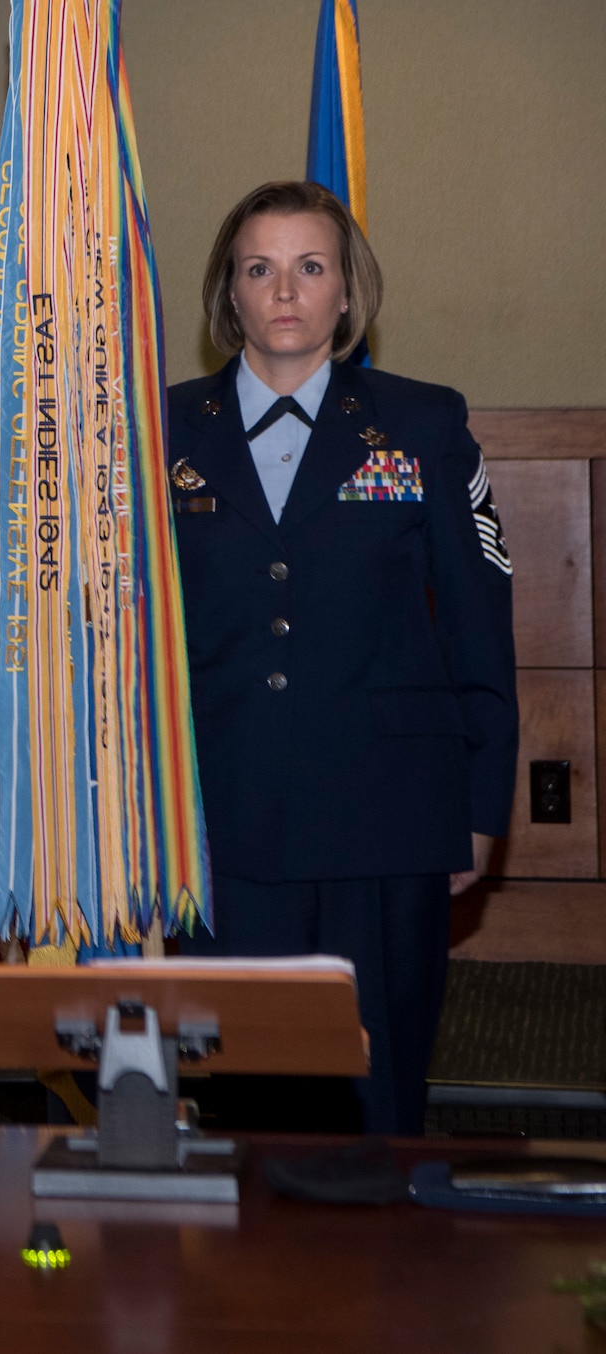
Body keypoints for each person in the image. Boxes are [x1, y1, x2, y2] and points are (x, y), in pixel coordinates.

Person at [168, 180, 517, 1136]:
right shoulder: (158, 434)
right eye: (260, 268)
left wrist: (482, 807)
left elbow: (479, 622)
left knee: (376, 1100)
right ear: (227, 294)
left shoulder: (422, 424)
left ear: (346, 294)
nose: (285, 291)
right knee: (227, 1104)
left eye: (310, 267)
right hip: (211, 826)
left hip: (387, 822)